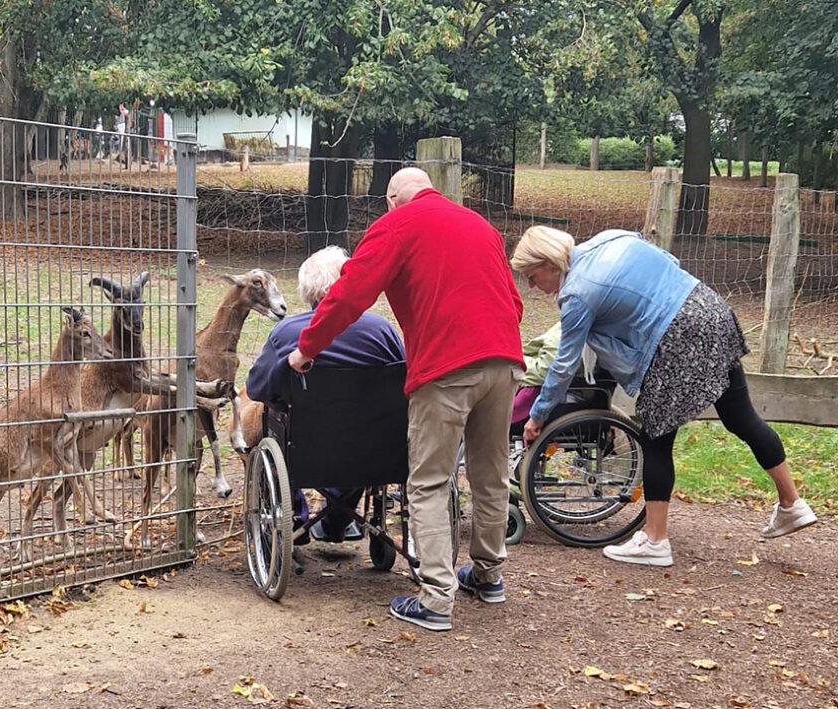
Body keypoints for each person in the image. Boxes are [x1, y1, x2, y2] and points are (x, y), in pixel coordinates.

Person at [287, 167, 525, 632]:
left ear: (393, 200)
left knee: (430, 482)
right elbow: (514, 304)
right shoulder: (481, 226)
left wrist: (307, 348)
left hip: (445, 368)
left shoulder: (395, 226)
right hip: (504, 361)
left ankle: (436, 599)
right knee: (490, 475)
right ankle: (488, 575)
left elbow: (348, 294)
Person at [510, 226, 817, 568]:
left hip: (675, 339)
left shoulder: (576, 294)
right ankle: (792, 503)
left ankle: (655, 541)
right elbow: (667, 261)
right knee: (741, 418)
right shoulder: (613, 238)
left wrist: (537, 415)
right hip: (709, 309)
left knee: (654, 437)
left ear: (550, 264)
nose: (532, 286)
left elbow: (564, 363)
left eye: (532, 276)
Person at [246, 246, 406, 543]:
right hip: (373, 450)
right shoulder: (383, 332)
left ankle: (295, 516)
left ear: (308, 290)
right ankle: (337, 518)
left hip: (303, 447)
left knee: (277, 426)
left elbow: (257, 388)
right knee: (364, 434)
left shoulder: (287, 333)